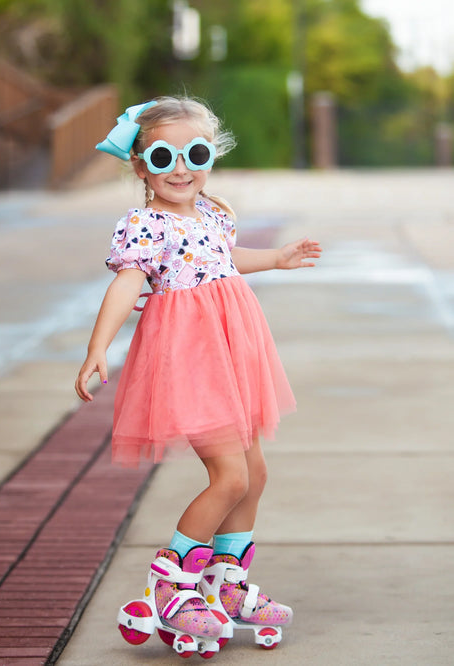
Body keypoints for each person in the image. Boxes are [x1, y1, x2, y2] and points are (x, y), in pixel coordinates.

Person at [75, 96, 322, 655]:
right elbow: (126, 285)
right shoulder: (144, 224)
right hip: (188, 360)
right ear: (141, 166)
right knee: (230, 476)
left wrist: (278, 257)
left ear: (211, 157)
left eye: (196, 153)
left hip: (233, 356)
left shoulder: (214, 212)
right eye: (163, 156)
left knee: (254, 473)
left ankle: (224, 585)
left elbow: (227, 260)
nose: (181, 168)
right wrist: (98, 347)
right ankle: (172, 584)